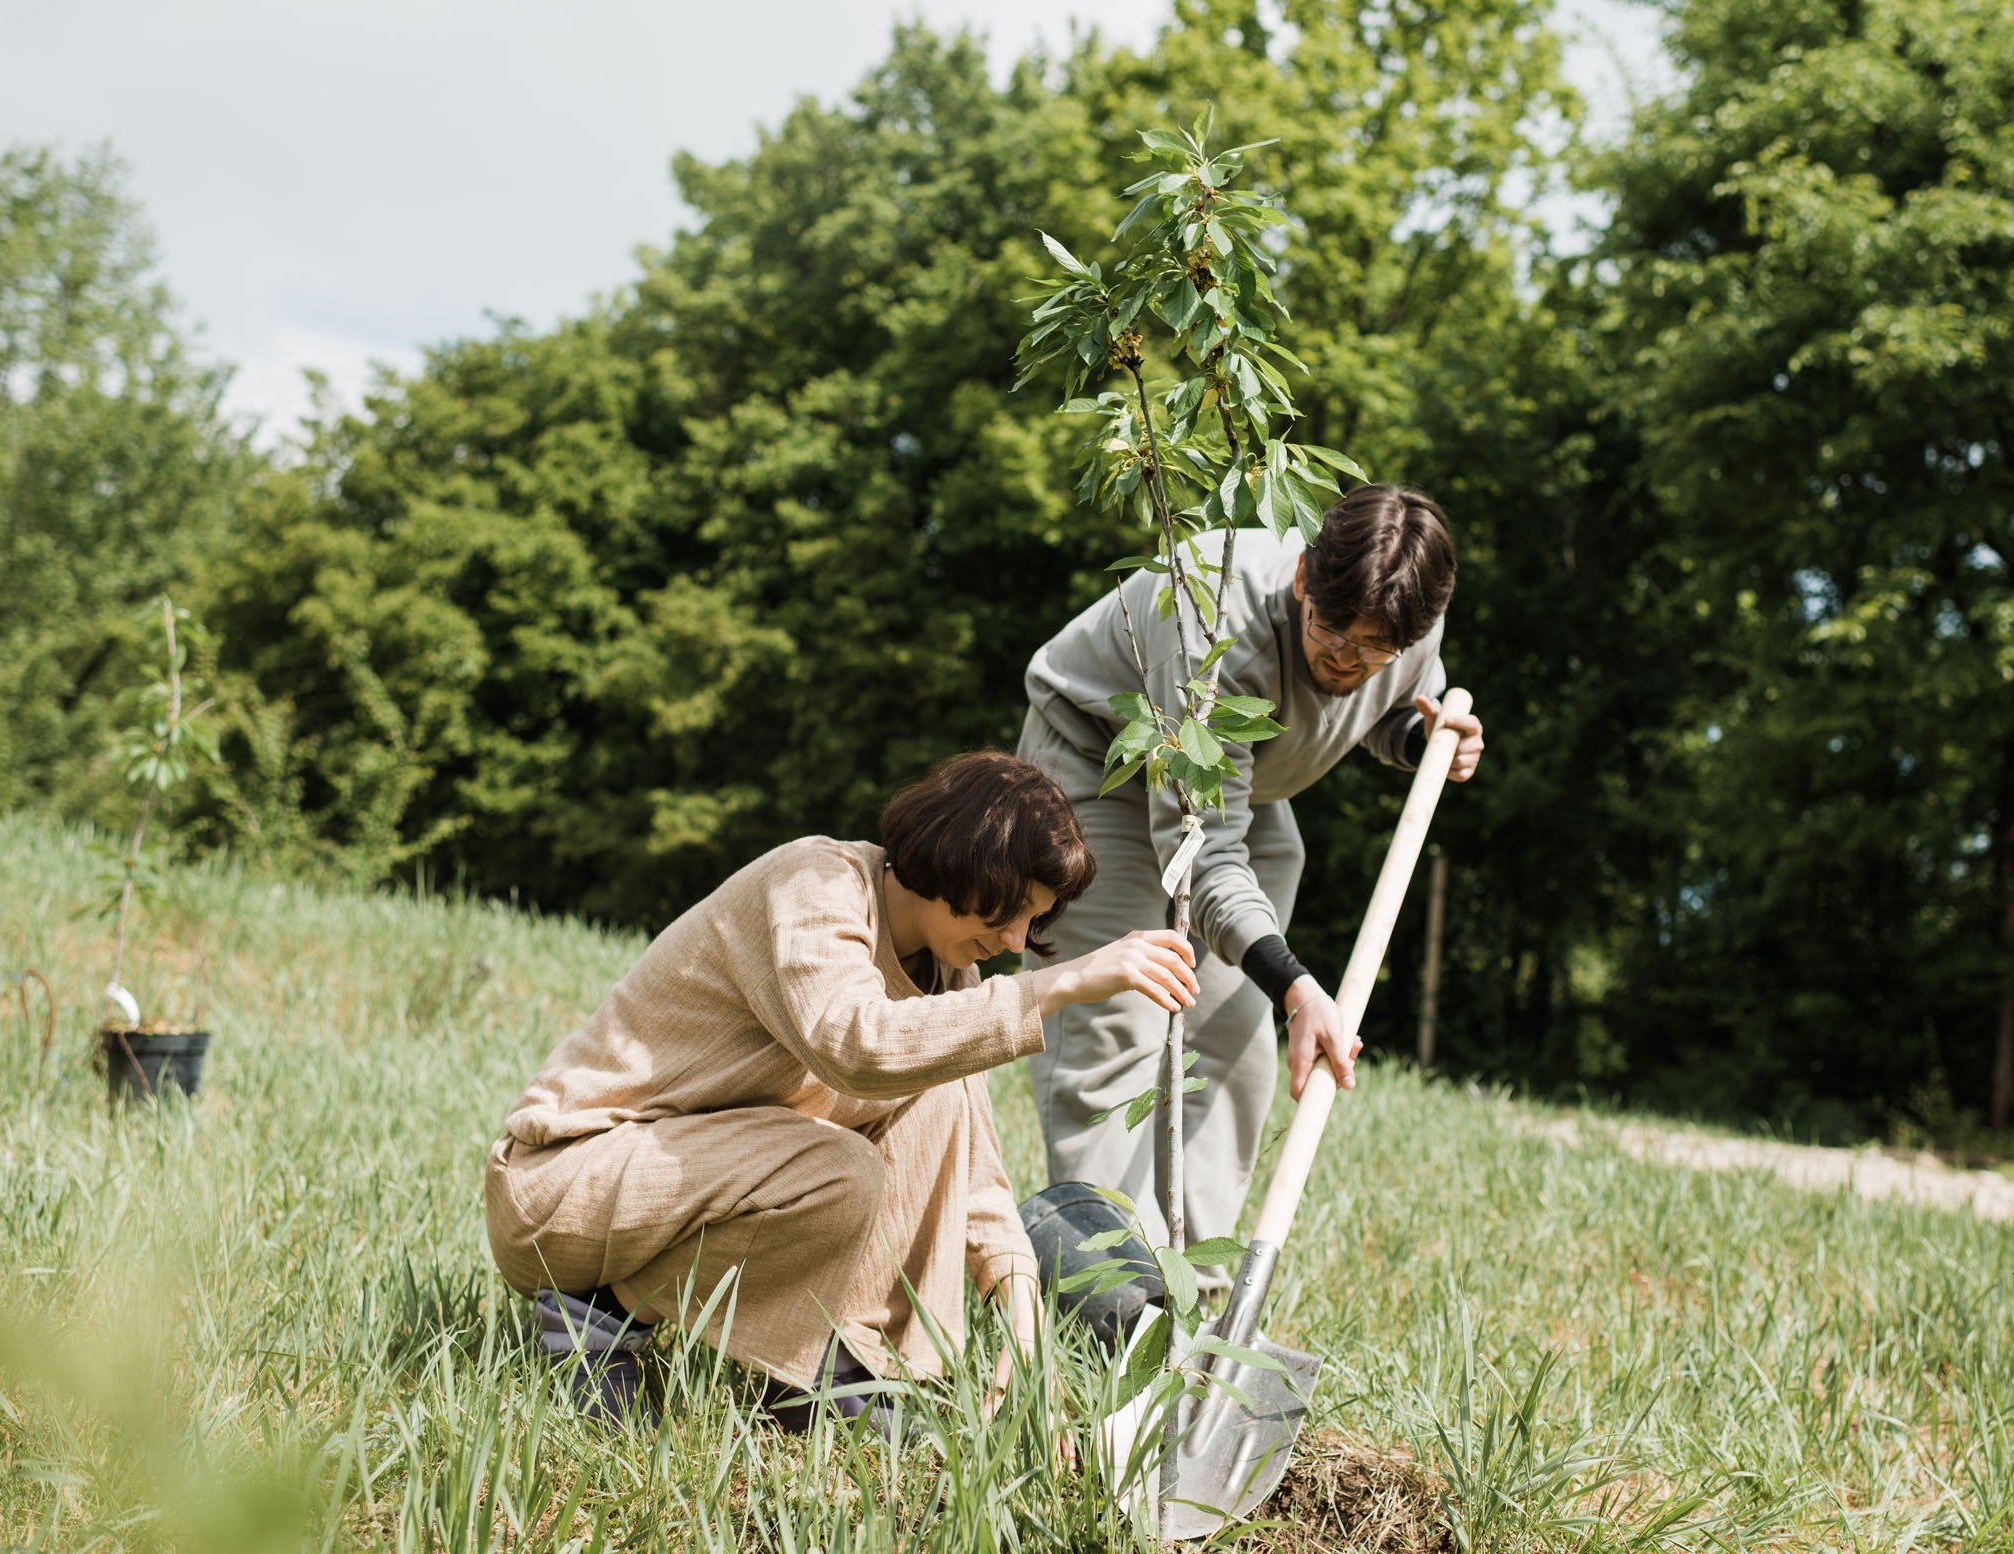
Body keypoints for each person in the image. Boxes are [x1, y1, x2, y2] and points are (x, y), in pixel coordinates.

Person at [482, 751, 1199, 1426]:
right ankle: (599, 1319)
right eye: (1007, 910)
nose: (1017, 940)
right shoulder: (814, 885)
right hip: (566, 1186)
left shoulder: (948, 972)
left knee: (939, 1095)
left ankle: (834, 1370)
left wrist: (1021, 1305)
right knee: (840, 1170)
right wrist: (1058, 985)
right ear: (958, 859)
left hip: (683, 1182)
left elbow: (974, 1174)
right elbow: (855, 1045)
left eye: (1034, 921)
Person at [1016, 483, 1486, 1267]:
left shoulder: (1406, 620)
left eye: (1377, 651)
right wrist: (1300, 989)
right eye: (1333, 633)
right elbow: (1202, 853)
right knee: (1120, 1017)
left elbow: (1380, 704)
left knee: (1234, 1038)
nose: (1349, 661)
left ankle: (1194, 1291)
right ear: (1304, 576)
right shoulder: (1209, 624)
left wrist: (1417, 737)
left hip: (1240, 788)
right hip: (1104, 765)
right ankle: (1106, 1294)